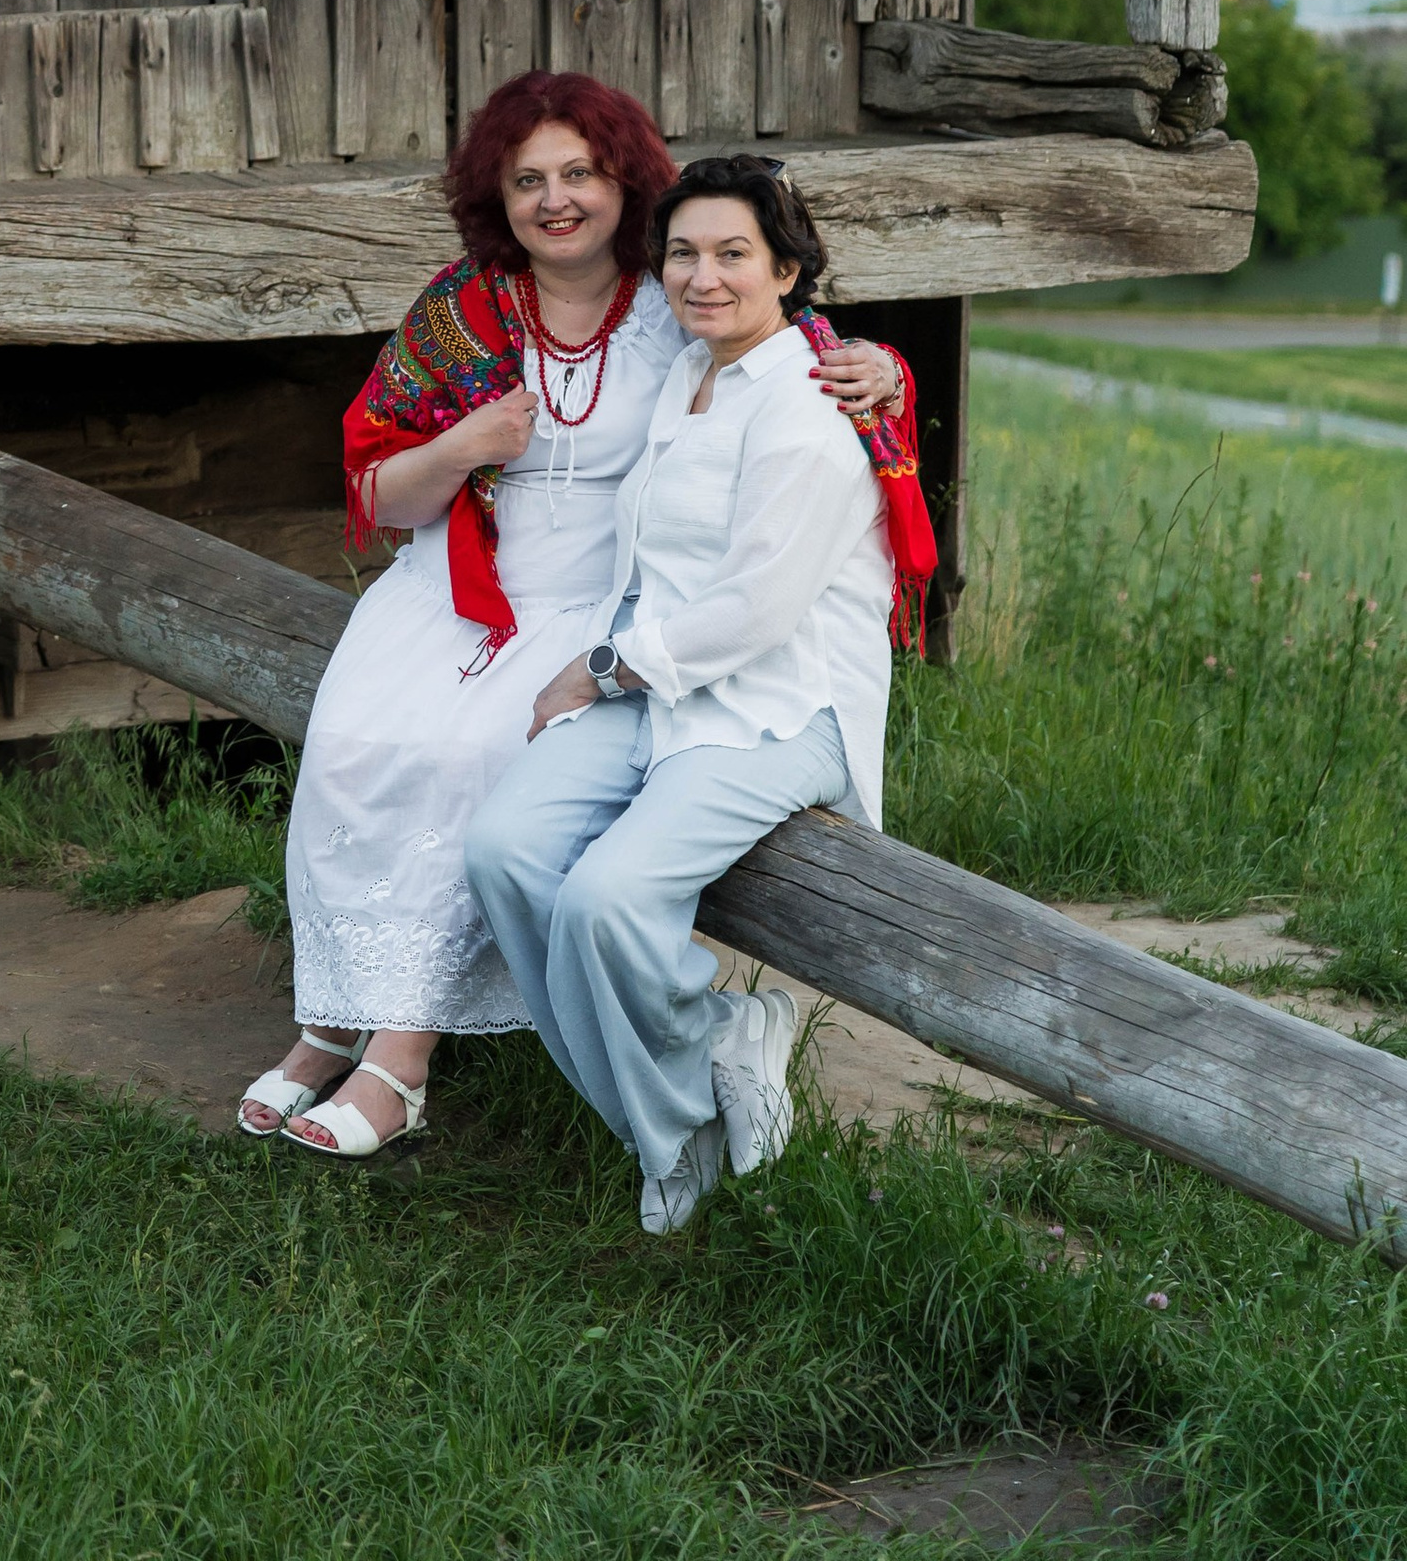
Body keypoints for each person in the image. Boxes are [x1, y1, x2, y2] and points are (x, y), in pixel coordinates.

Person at [238, 81, 912, 1160]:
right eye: (526, 181)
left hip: (603, 600)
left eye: (580, 175)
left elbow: (816, 369)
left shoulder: (676, 294)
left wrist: (885, 367)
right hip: (457, 586)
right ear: (492, 198)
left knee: (473, 755)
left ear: (624, 182)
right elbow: (373, 490)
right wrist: (463, 448)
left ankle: (398, 1059)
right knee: (354, 745)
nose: (556, 201)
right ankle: (329, 1018)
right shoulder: (461, 311)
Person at [464, 154, 937, 1234]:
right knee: (502, 853)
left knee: (605, 901)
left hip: (773, 703)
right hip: (658, 686)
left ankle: (670, 1136)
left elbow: (755, 613)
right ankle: (688, 1080)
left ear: (788, 269)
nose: (702, 276)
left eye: (733, 254)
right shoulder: (687, 373)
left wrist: (593, 670)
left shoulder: (810, 404)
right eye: (682, 253)